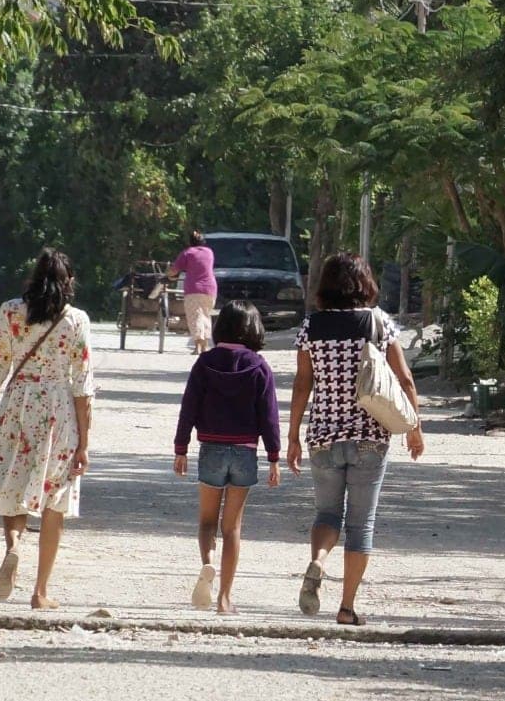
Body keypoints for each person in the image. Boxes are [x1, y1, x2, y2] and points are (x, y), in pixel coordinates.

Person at [287, 252, 424, 625]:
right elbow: (405, 379)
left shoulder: (310, 327)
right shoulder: (378, 323)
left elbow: (303, 384)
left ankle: (318, 561)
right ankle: (346, 609)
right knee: (360, 525)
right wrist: (415, 428)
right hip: (371, 437)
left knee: (327, 514)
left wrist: (293, 435)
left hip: (323, 437)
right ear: (365, 283)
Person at [0, 248, 94, 609]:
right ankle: (40, 593)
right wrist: (84, 442)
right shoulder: (77, 321)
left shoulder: (10, 311)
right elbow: (83, 384)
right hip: (58, 410)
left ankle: (13, 546)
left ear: (33, 277)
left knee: (12, 482)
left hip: (18, 404)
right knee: (55, 500)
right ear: (69, 282)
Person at [173, 300, 281, 615]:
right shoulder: (260, 367)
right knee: (231, 527)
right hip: (246, 452)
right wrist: (274, 457)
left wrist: (181, 448)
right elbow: (269, 416)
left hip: (211, 449)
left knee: (207, 522)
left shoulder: (205, 363)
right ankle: (224, 599)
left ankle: (208, 564)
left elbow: (189, 407)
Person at [168, 229, 217, 355]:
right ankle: (205, 346)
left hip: (194, 289)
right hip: (210, 289)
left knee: (195, 316)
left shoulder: (188, 253)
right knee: (206, 315)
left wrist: (167, 274)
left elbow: (174, 271)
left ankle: (197, 347)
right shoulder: (209, 252)